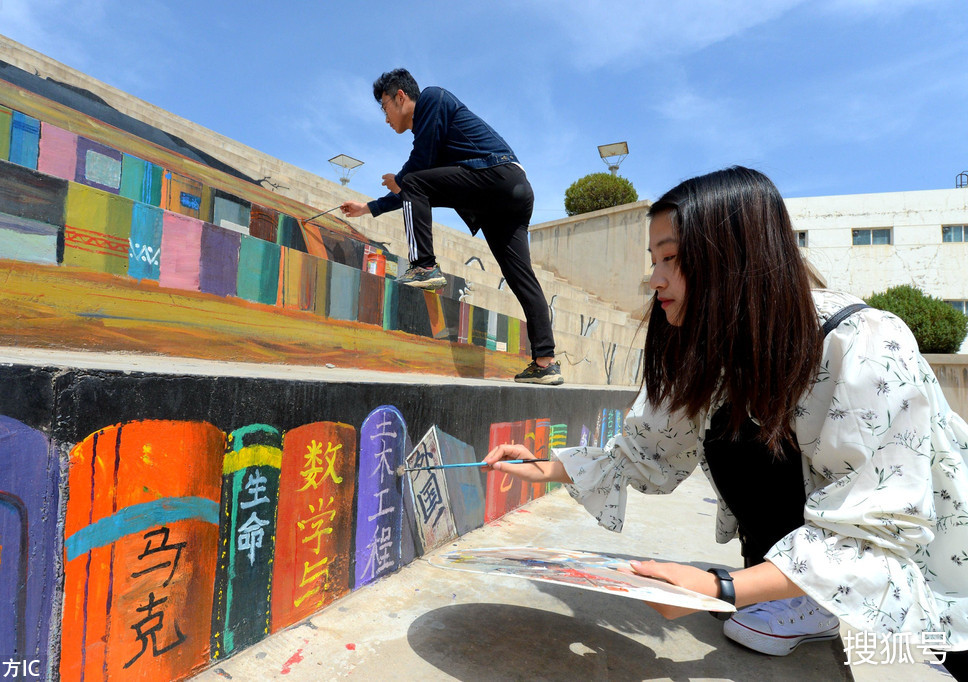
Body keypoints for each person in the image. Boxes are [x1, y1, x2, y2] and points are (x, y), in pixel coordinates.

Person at [484, 167, 968, 678]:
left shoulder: (862, 343)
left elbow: (880, 528)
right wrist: (545, 467)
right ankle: (797, 594)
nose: (654, 279)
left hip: (947, 564)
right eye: (654, 260)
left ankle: (805, 597)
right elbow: (651, 447)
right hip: (805, 550)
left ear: (735, 258)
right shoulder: (702, 343)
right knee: (733, 434)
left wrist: (721, 590)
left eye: (671, 258)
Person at [340, 68, 562, 386]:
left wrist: (399, 183)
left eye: (384, 107)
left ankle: (424, 266)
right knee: (521, 278)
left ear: (400, 97)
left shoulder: (433, 99)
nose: (385, 118)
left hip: (498, 176)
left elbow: (415, 175)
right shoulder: (432, 131)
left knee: (413, 180)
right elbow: (416, 188)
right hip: (508, 196)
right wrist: (370, 207)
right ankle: (546, 363)